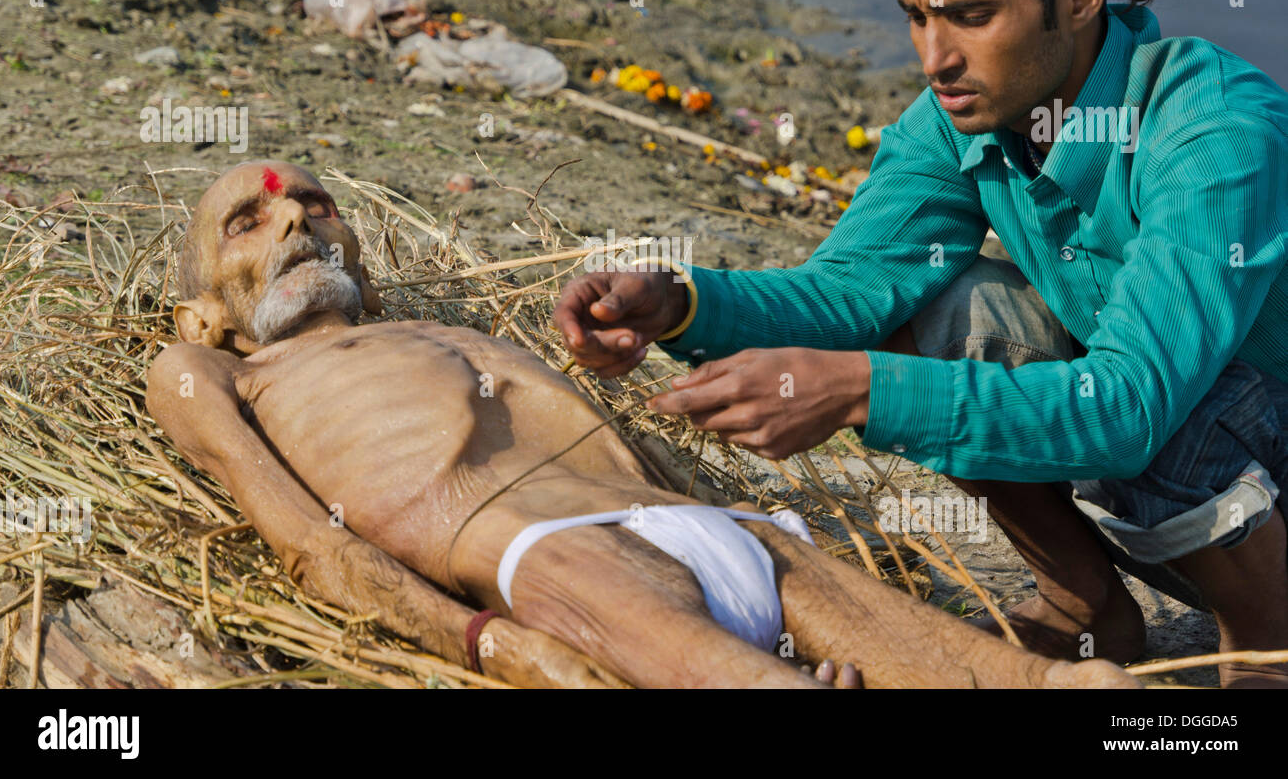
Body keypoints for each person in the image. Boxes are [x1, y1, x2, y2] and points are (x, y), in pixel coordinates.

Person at [554, 0, 1288, 687]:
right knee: (927, 310)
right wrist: (680, 303)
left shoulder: (1212, 133)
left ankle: (1264, 647)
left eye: (973, 16)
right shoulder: (966, 109)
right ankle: (1084, 605)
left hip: (1239, 462)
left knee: (1171, 393)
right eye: (917, 15)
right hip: (1189, 484)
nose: (935, 58)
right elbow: (850, 291)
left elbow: (1129, 410)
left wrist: (864, 389)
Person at [145, 159, 1136, 689]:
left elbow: (632, 452)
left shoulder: (439, 329)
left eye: (314, 204)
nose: (295, 221)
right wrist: (483, 641)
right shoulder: (202, 368)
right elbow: (299, 536)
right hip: (545, 556)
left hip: (724, 538)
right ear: (201, 316)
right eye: (251, 218)